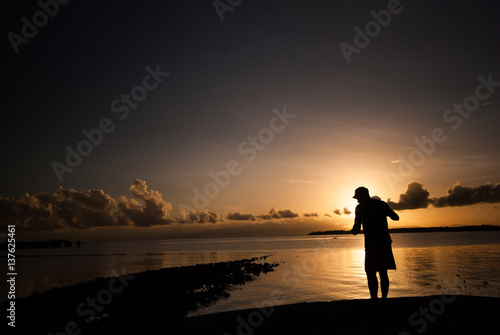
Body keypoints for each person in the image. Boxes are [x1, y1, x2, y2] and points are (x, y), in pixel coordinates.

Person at [351, 186, 399, 301]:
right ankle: (384, 299)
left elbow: (356, 229)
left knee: (371, 273)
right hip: (384, 242)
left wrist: (353, 231)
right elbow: (395, 217)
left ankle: (374, 299)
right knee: (383, 272)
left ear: (362, 197)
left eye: (358, 198)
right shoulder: (381, 205)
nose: (357, 200)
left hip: (371, 245)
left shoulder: (360, 207)